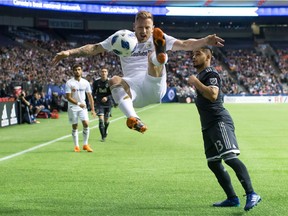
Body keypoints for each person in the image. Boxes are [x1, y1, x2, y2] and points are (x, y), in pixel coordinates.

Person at [52, 10, 224, 133]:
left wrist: (205, 40)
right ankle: (133, 118)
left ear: (153, 27)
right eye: (140, 27)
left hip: (154, 85)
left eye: (147, 28)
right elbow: (95, 48)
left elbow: (186, 44)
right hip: (134, 90)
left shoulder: (159, 37)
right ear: (134, 26)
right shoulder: (121, 38)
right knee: (114, 80)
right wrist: (69, 53)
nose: (144, 31)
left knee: (152, 57)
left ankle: (159, 56)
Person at [187, 46, 261, 211]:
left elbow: (213, 95)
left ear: (208, 57)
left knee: (229, 158)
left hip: (218, 122)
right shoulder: (202, 75)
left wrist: (195, 82)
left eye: (197, 54)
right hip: (208, 125)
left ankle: (252, 193)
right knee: (213, 163)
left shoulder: (210, 73)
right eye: (192, 54)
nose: (193, 57)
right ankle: (232, 198)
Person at [65, 64, 96, 152]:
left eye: (79, 69)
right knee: (75, 126)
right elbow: (68, 97)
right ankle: (76, 146)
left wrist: (93, 109)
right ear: (73, 71)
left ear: (81, 71)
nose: (77, 71)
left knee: (86, 123)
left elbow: (89, 96)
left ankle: (85, 144)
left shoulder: (85, 82)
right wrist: (78, 103)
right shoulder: (69, 82)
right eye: (75, 70)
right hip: (72, 107)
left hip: (83, 107)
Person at [92, 68, 114, 142]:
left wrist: (107, 97)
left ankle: (106, 129)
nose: (103, 73)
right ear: (100, 73)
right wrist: (94, 100)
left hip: (108, 104)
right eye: (102, 72)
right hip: (99, 104)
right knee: (101, 121)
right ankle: (103, 137)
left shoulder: (110, 82)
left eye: (105, 71)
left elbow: (113, 93)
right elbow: (93, 92)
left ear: (107, 73)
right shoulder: (96, 82)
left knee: (106, 121)